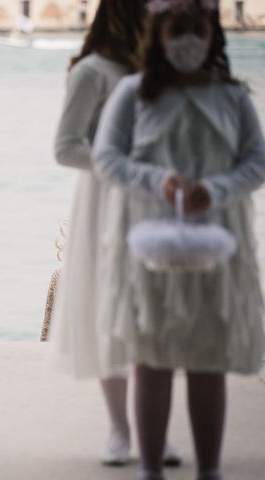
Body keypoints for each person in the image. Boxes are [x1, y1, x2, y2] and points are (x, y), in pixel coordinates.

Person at [92, 1, 265, 479]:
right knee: (153, 357)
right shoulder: (132, 94)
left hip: (218, 244)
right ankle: (151, 469)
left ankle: (209, 469)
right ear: (158, 34)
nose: (187, 40)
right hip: (150, 248)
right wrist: (157, 180)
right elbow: (107, 159)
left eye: (196, 29)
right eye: (177, 30)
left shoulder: (232, 96)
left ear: (212, 34)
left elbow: (257, 161)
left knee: (209, 359)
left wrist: (217, 189)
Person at [48, 0, 180, 466]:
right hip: (106, 202)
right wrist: (125, 167)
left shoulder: (160, 68)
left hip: (157, 199)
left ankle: (155, 432)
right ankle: (120, 430)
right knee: (111, 311)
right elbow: (66, 148)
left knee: (154, 314)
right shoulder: (93, 71)